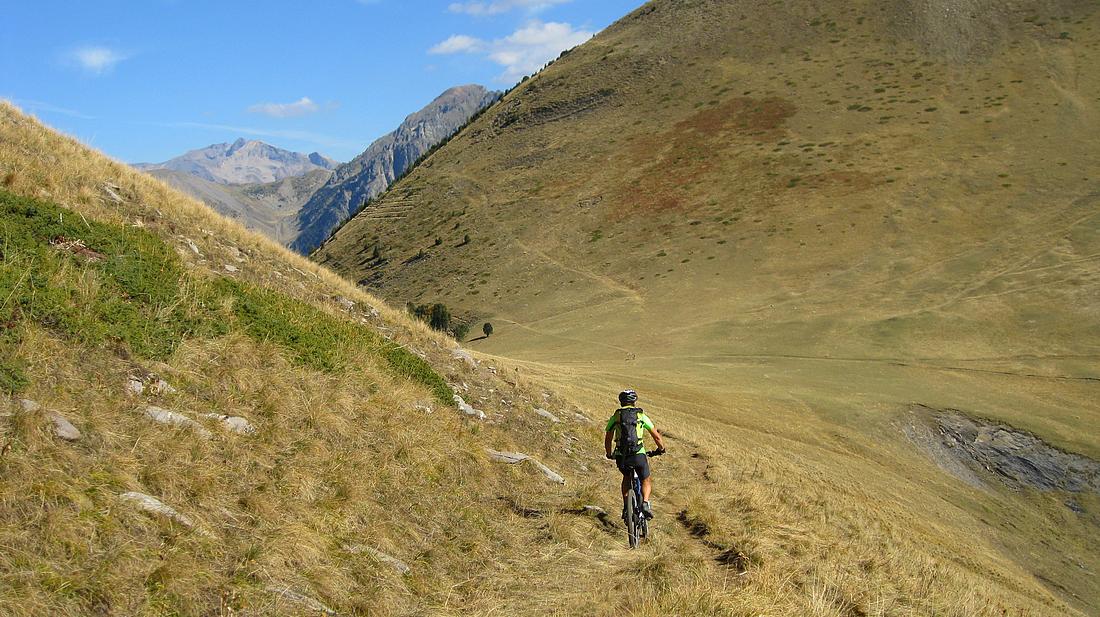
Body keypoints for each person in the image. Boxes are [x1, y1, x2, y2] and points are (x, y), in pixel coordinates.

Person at [604, 389, 666, 518]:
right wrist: (661, 449)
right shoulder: (640, 416)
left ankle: (627, 506)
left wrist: (609, 453)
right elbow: (656, 436)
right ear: (634, 402)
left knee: (626, 478)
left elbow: (608, 438)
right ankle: (644, 503)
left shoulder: (616, 416)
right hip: (638, 454)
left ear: (621, 402)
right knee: (645, 479)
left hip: (622, 455)